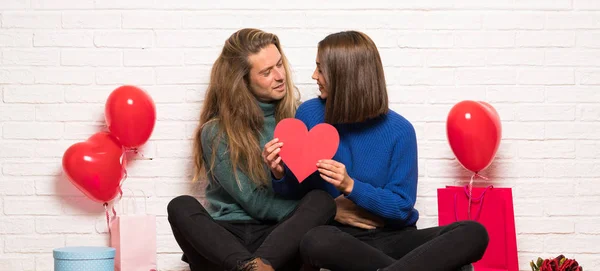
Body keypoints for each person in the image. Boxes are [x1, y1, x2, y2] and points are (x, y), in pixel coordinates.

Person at [262, 30, 489, 271]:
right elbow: (300, 195)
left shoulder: (400, 130)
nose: (314, 76)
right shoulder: (309, 114)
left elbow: (402, 208)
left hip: (395, 237)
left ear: (343, 75)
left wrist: (351, 186)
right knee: (314, 240)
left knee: (473, 232)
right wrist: (279, 175)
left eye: (320, 68)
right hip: (342, 241)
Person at [167, 28, 336, 271]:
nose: (280, 76)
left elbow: (311, 188)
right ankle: (251, 267)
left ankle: (260, 265)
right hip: (226, 242)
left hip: (279, 239)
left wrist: (325, 208)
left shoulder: (299, 119)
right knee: (180, 205)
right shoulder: (216, 131)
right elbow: (255, 203)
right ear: (242, 81)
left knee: (322, 201)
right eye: (267, 72)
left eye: (279, 65)